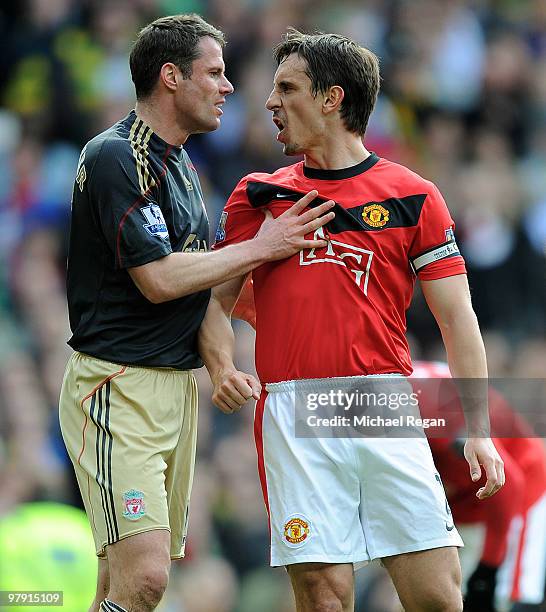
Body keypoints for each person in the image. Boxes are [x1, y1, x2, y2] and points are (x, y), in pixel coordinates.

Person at [198, 28, 505, 612]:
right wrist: (220, 367)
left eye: (286, 88)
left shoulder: (413, 195)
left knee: (438, 596)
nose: (269, 103)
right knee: (322, 596)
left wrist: (480, 430)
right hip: (293, 408)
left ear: (332, 98)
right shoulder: (257, 194)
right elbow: (214, 304)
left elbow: (458, 321)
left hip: (380, 401)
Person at [58, 15, 334, 612]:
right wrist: (265, 245)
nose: (229, 87)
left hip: (175, 392)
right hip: (116, 387)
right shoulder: (114, 157)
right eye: (214, 72)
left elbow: (200, 291)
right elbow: (158, 280)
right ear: (170, 77)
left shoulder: (183, 167)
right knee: (148, 577)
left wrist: (222, 365)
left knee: (121, 582)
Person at [411, 361, 546, 612]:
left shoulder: (435, 417)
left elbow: (509, 484)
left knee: (508, 594)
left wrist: (488, 568)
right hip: (461, 495)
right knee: (437, 594)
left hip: (518, 483)